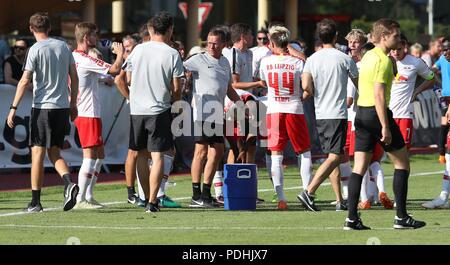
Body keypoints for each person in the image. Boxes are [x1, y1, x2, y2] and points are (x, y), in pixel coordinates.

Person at [344, 19, 426, 230]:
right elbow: (379, 95)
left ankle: (351, 219)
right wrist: (385, 127)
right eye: (396, 36)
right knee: (402, 163)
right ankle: (401, 217)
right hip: (375, 113)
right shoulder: (381, 59)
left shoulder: (368, 55)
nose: (399, 40)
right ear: (384, 37)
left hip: (361, 114)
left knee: (359, 168)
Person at [7, 12, 79, 212]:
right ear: (49, 28)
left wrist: (13, 108)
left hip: (42, 108)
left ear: (31, 29)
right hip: (62, 107)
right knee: (54, 151)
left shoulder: (35, 49)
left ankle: (36, 202)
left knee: (37, 154)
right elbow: (74, 77)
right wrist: (73, 104)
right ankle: (68, 183)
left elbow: (24, 80)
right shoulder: (64, 47)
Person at [125, 12, 183, 212]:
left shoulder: (138, 49)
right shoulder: (172, 53)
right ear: (169, 30)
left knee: (141, 155)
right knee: (157, 156)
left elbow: (128, 79)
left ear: (151, 29)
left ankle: (144, 198)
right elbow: (177, 88)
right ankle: (152, 201)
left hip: (137, 110)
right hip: (159, 109)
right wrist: (175, 101)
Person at [298, 19, 358, 212]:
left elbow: (306, 86)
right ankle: (309, 191)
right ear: (336, 36)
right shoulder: (344, 58)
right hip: (337, 113)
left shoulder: (312, 59)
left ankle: (340, 199)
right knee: (334, 156)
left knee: (335, 154)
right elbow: (359, 84)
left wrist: (317, 91)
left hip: (321, 113)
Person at [185, 27, 242, 208]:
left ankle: (206, 193)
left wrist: (242, 105)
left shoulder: (225, 62)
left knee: (217, 151)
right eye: (208, 42)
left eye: (215, 43)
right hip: (202, 111)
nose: (210, 46)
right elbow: (177, 67)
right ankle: (196, 195)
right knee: (201, 151)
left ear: (224, 44)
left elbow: (229, 89)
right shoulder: (198, 59)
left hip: (217, 113)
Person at [71, 22, 124, 209]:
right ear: (86, 38)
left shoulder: (74, 57)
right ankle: (81, 199)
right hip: (88, 113)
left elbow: (104, 76)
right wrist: (120, 54)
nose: (97, 39)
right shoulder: (85, 59)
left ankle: (89, 195)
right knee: (90, 156)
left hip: (85, 111)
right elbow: (114, 70)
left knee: (100, 155)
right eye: (94, 35)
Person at [259, 25, 312, 210]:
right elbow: (307, 88)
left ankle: (281, 197)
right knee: (304, 152)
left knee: (276, 154)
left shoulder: (265, 62)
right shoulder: (298, 62)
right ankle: (307, 192)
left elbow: (264, 83)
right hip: (294, 108)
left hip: (274, 109)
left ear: (273, 43)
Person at [422, 37, 450, 209]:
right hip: (446, 101)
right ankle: (443, 196)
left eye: (447, 49)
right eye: (443, 49)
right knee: (448, 151)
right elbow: (432, 70)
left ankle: (443, 197)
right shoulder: (442, 60)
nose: (445, 53)